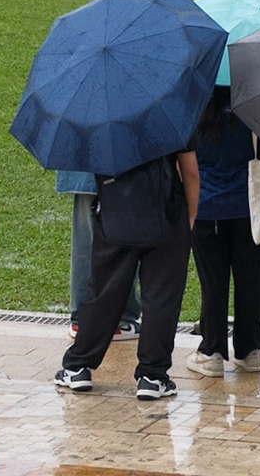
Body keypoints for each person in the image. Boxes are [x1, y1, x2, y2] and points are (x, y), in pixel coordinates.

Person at [55, 146, 200, 400]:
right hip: (166, 216)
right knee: (161, 298)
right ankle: (152, 377)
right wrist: (189, 220)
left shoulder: (102, 117)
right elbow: (190, 173)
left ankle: (78, 367)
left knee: (104, 293)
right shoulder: (168, 111)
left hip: (116, 217)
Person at [185, 85, 260, 376]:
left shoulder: (192, 110)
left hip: (206, 209)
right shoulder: (256, 110)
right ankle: (250, 350)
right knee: (251, 280)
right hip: (250, 208)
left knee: (213, 283)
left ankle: (212, 351)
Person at [55, 169, 142, 339]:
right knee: (122, 239)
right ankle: (119, 320)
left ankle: (82, 318)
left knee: (85, 239)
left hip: (82, 165)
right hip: (120, 170)